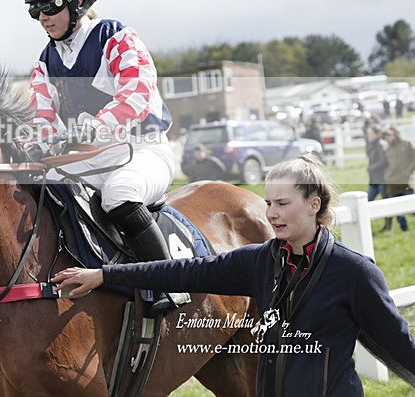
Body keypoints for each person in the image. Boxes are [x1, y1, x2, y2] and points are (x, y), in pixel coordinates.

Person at [52, 154, 415, 395]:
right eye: (269, 203)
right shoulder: (258, 261)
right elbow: (181, 272)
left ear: (314, 204)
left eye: (283, 204)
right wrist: (105, 275)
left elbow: (398, 345)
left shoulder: (354, 272)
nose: (271, 214)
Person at [14, 0, 185, 313]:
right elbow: (39, 117)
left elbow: (136, 95)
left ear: (77, 1)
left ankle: (168, 286)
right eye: (34, 10)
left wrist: (89, 129)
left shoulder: (116, 36)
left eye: (49, 6)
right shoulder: (45, 62)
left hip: (142, 150)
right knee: (41, 191)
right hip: (91, 160)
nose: (42, 17)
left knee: (119, 195)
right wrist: (32, 145)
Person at [382, 126, 412, 232]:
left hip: (407, 182)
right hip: (393, 182)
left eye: (390, 135)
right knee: (396, 207)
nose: (388, 139)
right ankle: (405, 230)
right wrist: (387, 175)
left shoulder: (407, 144)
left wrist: (408, 171)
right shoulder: (388, 150)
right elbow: (386, 164)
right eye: (386, 137)